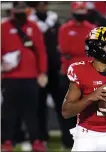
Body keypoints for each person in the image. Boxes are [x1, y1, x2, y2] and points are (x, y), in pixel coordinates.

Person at [1, 2, 47, 151]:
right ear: (13, 10)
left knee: (31, 111)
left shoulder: (33, 27)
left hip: (31, 76)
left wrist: (42, 72)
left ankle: (36, 141)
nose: (21, 12)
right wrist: (4, 62)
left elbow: (41, 51)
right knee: (9, 111)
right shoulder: (4, 27)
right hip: (10, 77)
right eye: (18, 9)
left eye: (23, 9)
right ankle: (6, 141)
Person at [58, 2, 96, 148]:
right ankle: (68, 141)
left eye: (83, 9)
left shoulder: (91, 29)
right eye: (78, 9)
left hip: (88, 74)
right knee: (68, 108)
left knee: (87, 109)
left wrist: (75, 53)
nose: (81, 12)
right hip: (69, 74)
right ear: (73, 11)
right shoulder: (65, 28)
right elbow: (64, 49)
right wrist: (81, 52)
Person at [28, 1, 63, 147]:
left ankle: (68, 137)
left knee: (61, 104)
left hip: (55, 68)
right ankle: (41, 138)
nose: (43, 6)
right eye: (40, 4)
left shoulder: (55, 21)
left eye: (44, 3)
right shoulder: (30, 23)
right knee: (39, 106)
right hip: (39, 69)